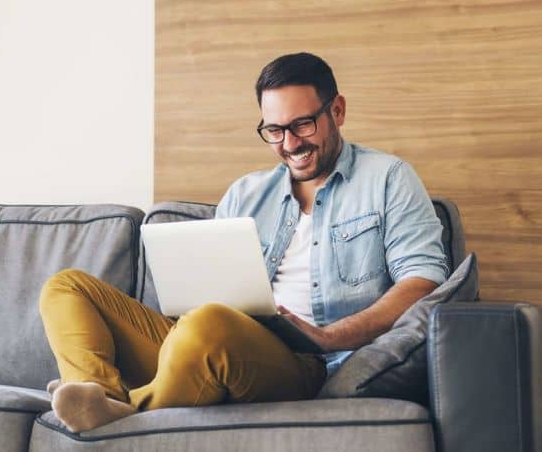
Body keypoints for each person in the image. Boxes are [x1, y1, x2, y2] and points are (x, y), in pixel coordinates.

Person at [38, 52, 448, 433]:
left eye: (302, 124)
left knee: (208, 324)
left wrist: (331, 336)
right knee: (66, 287)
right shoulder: (245, 194)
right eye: (274, 130)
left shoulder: (387, 179)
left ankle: (123, 419)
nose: (290, 144)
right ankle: (101, 398)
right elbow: (202, 298)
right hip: (205, 343)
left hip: (307, 363)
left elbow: (424, 280)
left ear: (337, 111)